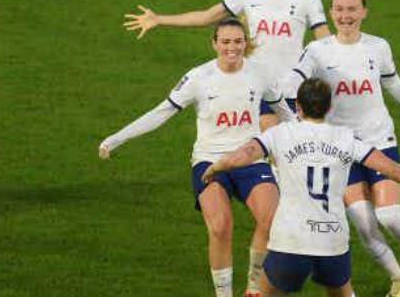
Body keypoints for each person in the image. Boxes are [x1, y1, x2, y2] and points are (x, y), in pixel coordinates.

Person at [278, 0, 400, 297]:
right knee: (363, 222)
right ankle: (397, 278)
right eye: (339, 9)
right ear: (331, 13)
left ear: (364, 12)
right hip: (341, 147)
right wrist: (291, 111)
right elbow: (292, 82)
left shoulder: (378, 47)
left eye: (352, 9)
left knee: (389, 216)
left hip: (378, 138)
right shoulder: (318, 51)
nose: (345, 15)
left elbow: (393, 84)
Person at [99, 20, 293, 297]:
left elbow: (284, 111)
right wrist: (116, 138)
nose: (232, 47)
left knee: (272, 219)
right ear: (214, 44)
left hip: (250, 158)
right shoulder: (198, 78)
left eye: (237, 41)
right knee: (220, 226)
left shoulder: (260, 73)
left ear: (244, 42)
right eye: (225, 42)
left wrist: (307, 138)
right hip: (209, 161)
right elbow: (161, 112)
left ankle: (253, 289)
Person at [202, 77, 400, 297]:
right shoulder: (346, 138)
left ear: (298, 107)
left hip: (291, 241)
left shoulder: (280, 134)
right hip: (332, 241)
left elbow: (246, 153)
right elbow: (389, 167)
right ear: (329, 107)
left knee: (262, 293)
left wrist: (216, 167)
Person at [125, 0, 330, 124]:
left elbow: (323, 40)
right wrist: (160, 19)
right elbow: (207, 16)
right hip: (255, 83)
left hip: (291, 87)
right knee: (266, 144)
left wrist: (339, 66)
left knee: (279, 151)